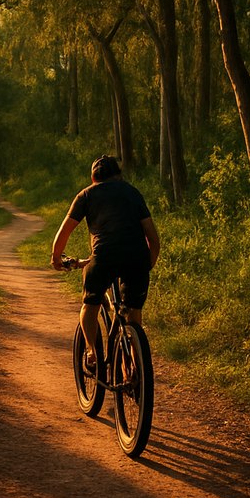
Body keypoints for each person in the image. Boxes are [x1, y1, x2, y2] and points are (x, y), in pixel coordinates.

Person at [50, 155, 160, 370]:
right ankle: (135, 368)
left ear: (93, 178)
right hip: (137, 258)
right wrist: (147, 264)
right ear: (118, 175)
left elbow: (64, 231)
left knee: (90, 305)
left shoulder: (86, 195)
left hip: (104, 257)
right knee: (132, 312)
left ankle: (91, 351)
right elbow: (153, 238)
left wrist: (56, 258)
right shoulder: (132, 192)